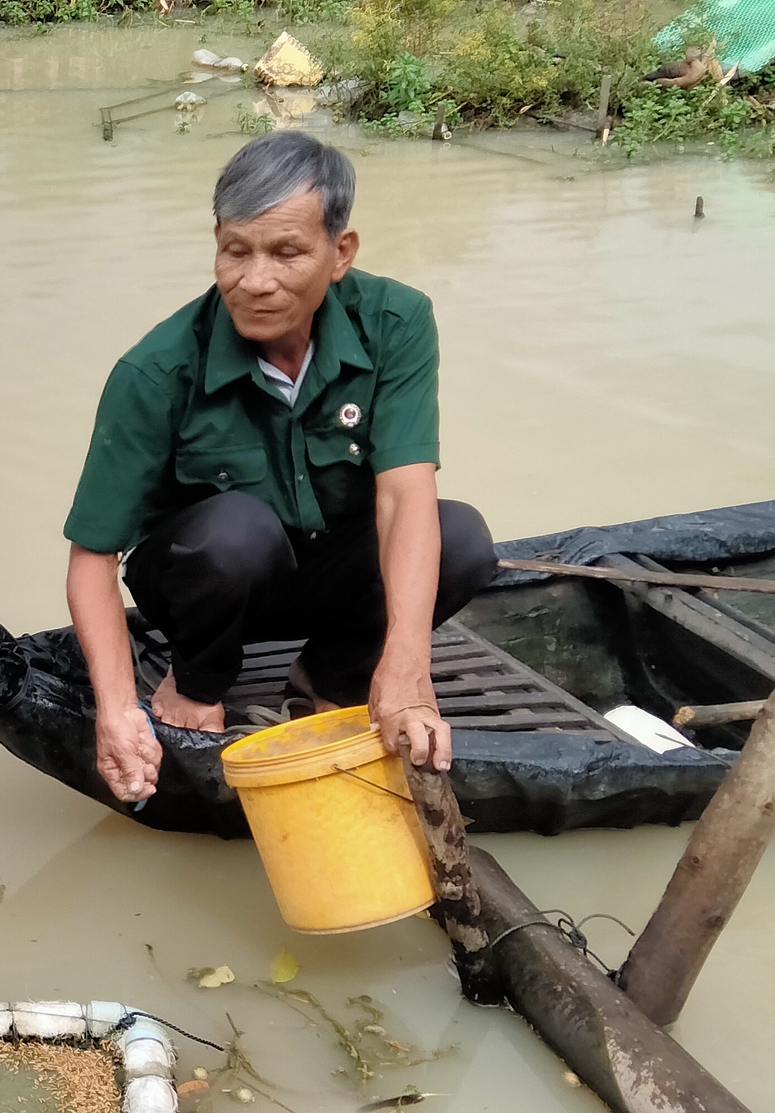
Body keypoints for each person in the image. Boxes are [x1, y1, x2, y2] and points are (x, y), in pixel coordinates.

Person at [62, 131, 497, 805]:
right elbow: (92, 558)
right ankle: (197, 684)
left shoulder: (397, 323)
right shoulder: (155, 370)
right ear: (216, 242)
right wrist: (117, 709)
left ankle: (331, 677)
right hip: (208, 585)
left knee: (462, 538)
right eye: (236, 251)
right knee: (235, 533)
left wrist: (406, 670)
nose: (254, 280)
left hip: (325, 572)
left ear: (340, 253)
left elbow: (405, 498)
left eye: (286, 252)